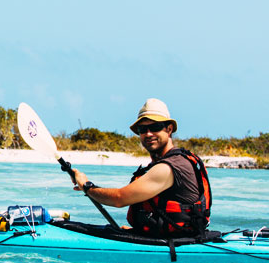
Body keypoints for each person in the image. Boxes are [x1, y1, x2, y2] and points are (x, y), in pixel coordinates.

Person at [72, 98, 212, 238]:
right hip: (170, 238)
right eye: (143, 129)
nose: (149, 134)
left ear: (169, 129)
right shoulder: (164, 163)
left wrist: (87, 186)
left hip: (177, 244)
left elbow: (119, 199)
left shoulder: (169, 167)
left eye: (156, 127)